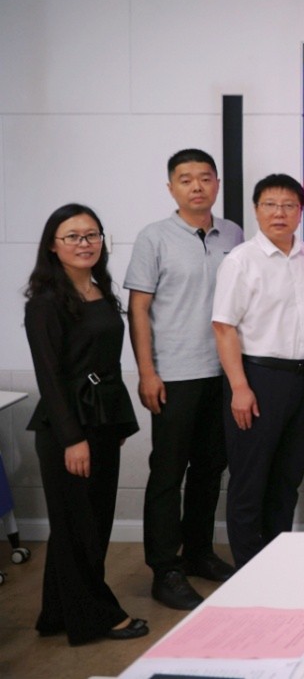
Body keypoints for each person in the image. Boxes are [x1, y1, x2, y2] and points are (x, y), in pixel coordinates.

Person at [126, 149, 243, 610]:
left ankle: (198, 552)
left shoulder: (232, 233)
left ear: (217, 184)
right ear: (171, 187)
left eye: (205, 178)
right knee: (168, 473)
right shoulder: (153, 237)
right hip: (174, 374)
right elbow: (138, 309)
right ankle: (165, 568)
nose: (197, 186)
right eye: (186, 179)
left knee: (210, 469)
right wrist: (147, 372)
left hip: (222, 372)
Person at [24, 204, 147, 644]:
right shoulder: (45, 304)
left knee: (88, 523)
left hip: (103, 420)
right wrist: (72, 439)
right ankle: (98, 615)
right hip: (68, 428)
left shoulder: (100, 290)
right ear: (53, 246)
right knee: (80, 528)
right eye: (73, 236)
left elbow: (104, 363)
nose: (85, 243)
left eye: (92, 235)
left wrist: (111, 424)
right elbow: (49, 378)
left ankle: (58, 613)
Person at [212, 175, 304, 567]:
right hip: (257, 380)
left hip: (302, 380)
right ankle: (248, 569)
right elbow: (223, 327)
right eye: (270, 205)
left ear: (300, 212)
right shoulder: (241, 261)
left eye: (289, 205)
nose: (279, 213)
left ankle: (276, 563)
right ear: (256, 210)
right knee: (250, 481)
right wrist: (239, 388)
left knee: (287, 480)